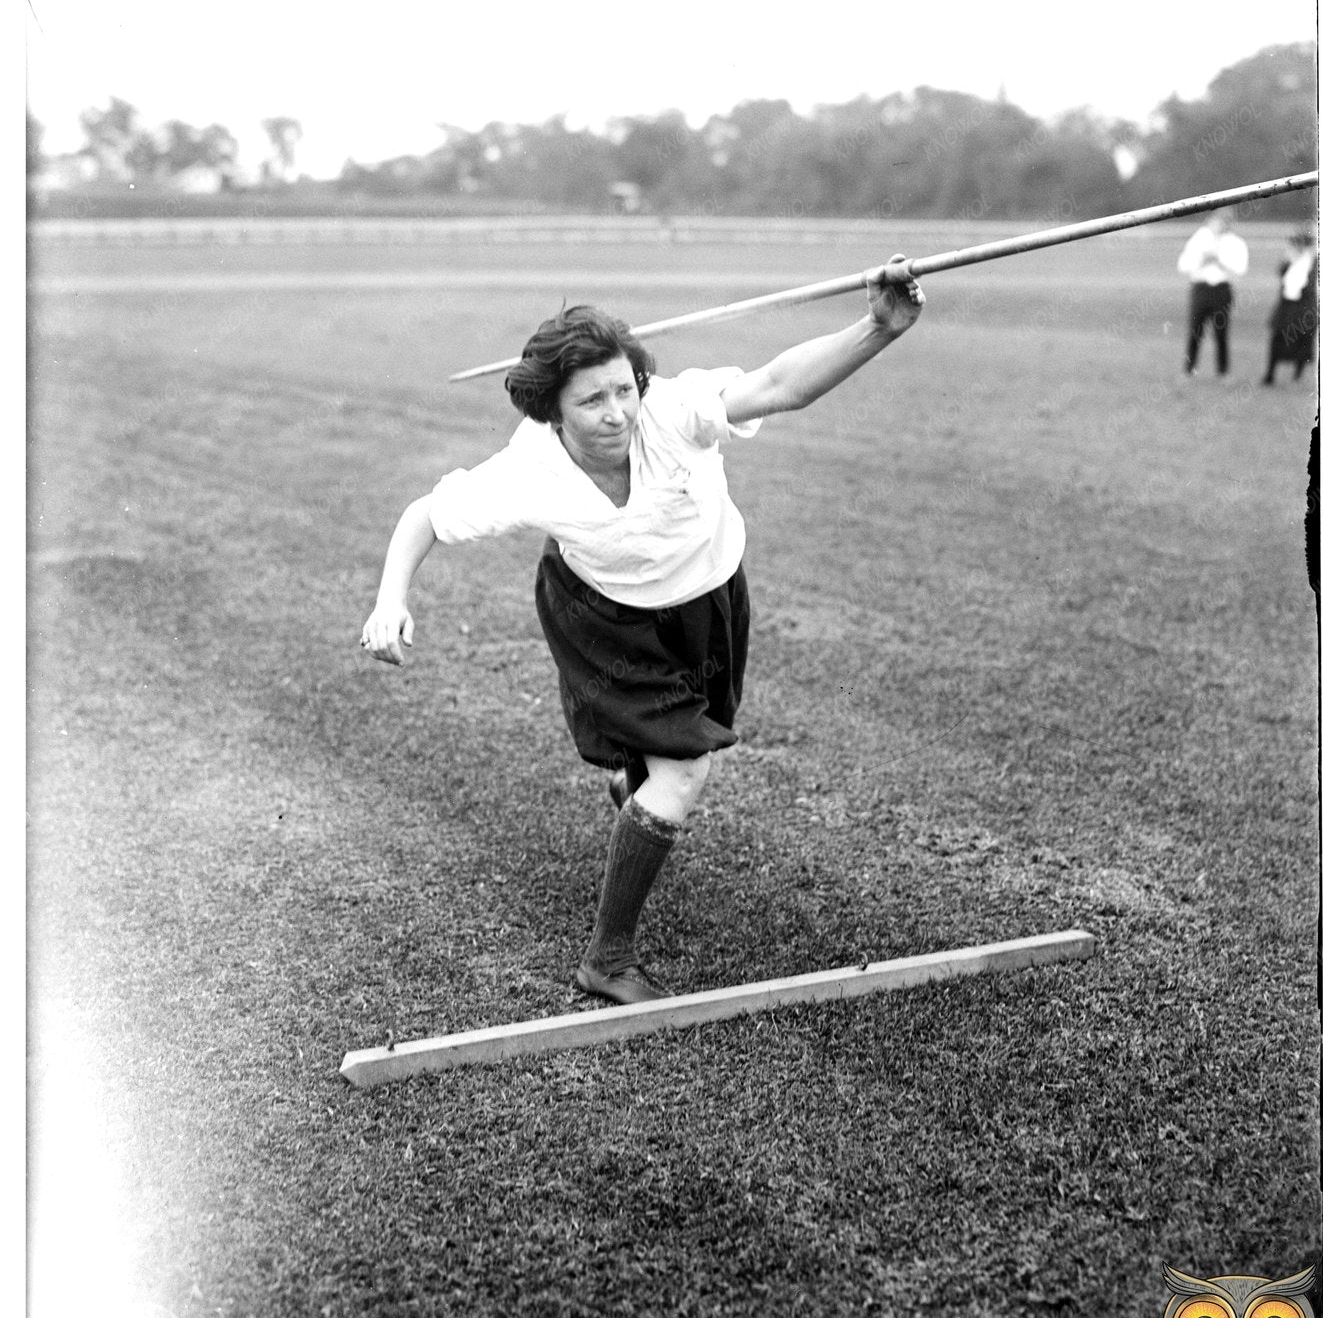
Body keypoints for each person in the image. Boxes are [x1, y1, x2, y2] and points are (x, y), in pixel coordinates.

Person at [360, 259, 925, 1006]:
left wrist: (877, 328)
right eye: (592, 400)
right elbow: (425, 517)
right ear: (551, 413)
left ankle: (636, 788)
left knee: (684, 748)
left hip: (710, 596)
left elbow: (780, 385)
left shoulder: (674, 409)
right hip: (602, 616)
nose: (617, 412)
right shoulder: (528, 468)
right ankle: (608, 958)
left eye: (624, 389)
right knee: (686, 771)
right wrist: (389, 599)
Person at [1178, 206, 1249, 377]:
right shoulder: (1199, 239)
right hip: (1201, 288)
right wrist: (1202, 260)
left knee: (1221, 332)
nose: (1219, 225)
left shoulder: (1235, 243)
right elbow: (1183, 265)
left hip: (1221, 290)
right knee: (1195, 330)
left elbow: (1241, 269)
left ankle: (1222, 372)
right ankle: (1189, 370)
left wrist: (1220, 261)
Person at [1262, 227, 1318, 384]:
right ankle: (1270, 374)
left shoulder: (1312, 262)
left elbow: (1309, 285)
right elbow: (1282, 276)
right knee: (1277, 338)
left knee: (1303, 340)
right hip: (1286, 306)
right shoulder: (1290, 260)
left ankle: (1297, 374)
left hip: (1303, 307)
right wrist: (1288, 261)